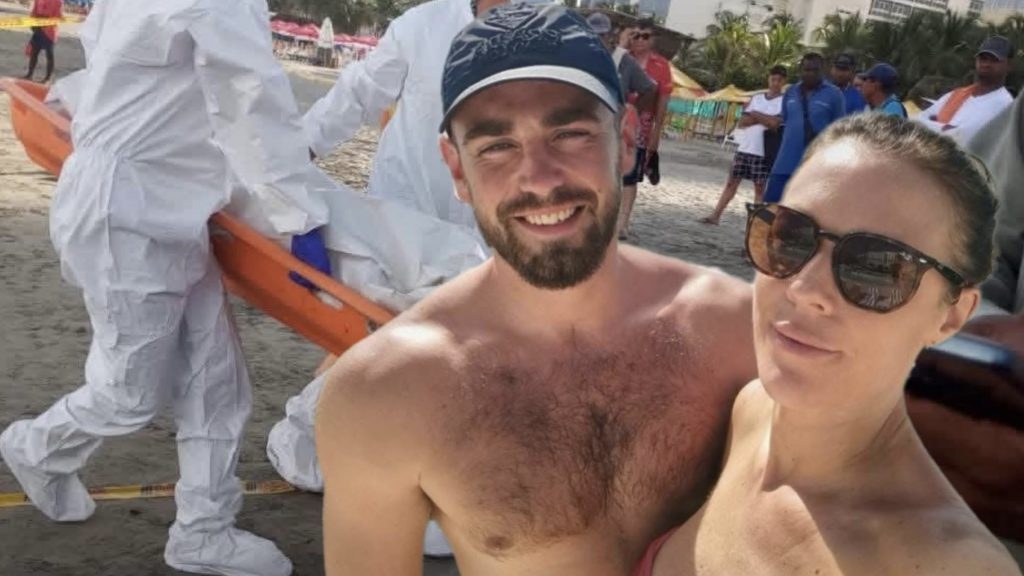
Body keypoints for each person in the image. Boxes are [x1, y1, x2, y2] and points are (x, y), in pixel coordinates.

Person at [315, 5, 757, 575]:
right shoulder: (384, 394)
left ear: (625, 140)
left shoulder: (737, 335)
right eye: (496, 146)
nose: (541, 179)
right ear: (457, 169)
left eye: (570, 134)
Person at [0, 2, 333, 575]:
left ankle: (203, 531)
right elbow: (251, 97)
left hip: (173, 202)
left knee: (216, 382)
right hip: (128, 212)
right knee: (128, 393)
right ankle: (37, 447)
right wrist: (298, 214)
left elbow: (111, 56)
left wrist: (77, 100)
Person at [636, 113, 1023, 576]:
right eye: (789, 236)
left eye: (875, 267)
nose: (804, 289)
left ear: (952, 315)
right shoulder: (753, 412)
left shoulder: (951, 565)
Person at [301, 0, 508, 231]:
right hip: (399, 213)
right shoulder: (423, 24)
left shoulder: (542, 38)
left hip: (489, 232)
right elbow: (359, 92)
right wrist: (298, 150)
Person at [700, 65, 786, 225]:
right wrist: (765, 118)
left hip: (763, 151)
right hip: (745, 148)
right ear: (769, 79)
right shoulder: (757, 98)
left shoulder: (784, 102)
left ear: (783, 82)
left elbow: (774, 124)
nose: (775, 83)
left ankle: (756, 224)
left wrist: (754, 114)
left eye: (779, 80)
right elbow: (742, 122)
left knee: (759, 188)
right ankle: (715, 215)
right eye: (773, 79)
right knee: (731, 183)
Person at [764, 53, 845, 203]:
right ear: (800, 70)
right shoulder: (790, 92)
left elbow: (839, 131)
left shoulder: (834, 95)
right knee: (770, 210)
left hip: (814, 169)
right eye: (807, 70)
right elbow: (786, 120)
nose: (810, 74)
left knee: (801, 214)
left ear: (823, 70)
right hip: (783, 165)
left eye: (815, 70)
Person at [620, 18, 674, 240]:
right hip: (613, 122)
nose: (640, 40)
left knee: (630, 176)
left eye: (645, 36)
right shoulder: (620, 57)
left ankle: (623, 222)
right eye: (636, 35)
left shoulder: (661, 66)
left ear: (653, 39)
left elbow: (662, 102)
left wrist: (656, 134)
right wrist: (622, 47)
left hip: (640, 128)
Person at [915, 35, 1015, 146]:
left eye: (994, 60)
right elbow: (916, 120)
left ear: (1009, 65)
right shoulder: (957, 94)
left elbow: (959, 137)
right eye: (983, 58)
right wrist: (944, 128)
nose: (986, 64)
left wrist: (934, 123)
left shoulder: (1004, 105)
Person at [24, 0, 62, 83]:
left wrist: (46, 22)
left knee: (49, 55)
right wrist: (32, 23)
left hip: (50, 30)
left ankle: (47, 78)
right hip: (38, 28)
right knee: (34, 52)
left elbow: (58, 17)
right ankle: (30, 74)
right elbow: (34, 12)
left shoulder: (57, 1)